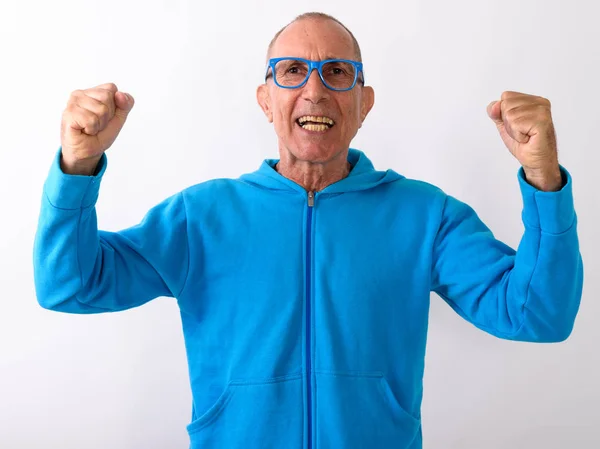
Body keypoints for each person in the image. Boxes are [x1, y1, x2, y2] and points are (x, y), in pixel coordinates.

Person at [33, 11, 583, 449]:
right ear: (265, 98)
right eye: (292, 71)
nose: (315, 90)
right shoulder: (199, 218)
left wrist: (543, 178)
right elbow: (70, 285)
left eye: (337, 72)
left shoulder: (426, 216)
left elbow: (537, 313)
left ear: (363, 103)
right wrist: (76, 167)